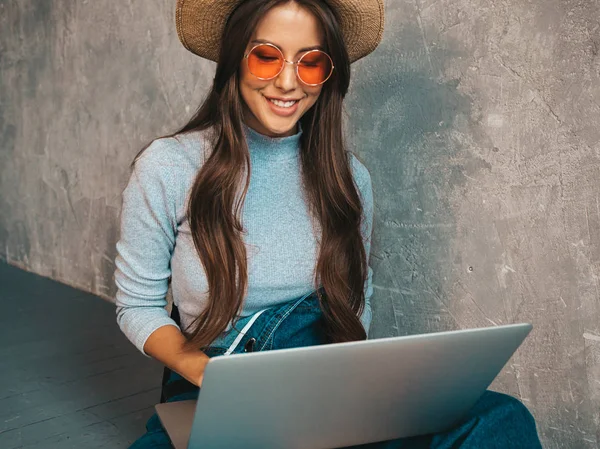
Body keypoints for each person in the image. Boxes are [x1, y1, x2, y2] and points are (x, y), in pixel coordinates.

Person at [114, 0, 543, 447]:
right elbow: (137, 306)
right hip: (210, 389)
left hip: (326, 398)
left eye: (311, 62)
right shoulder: (169, 166)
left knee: (501, 419)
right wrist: (207, 373)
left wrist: (346, 397)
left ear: (328, 73)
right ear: (234, 58)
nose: (287, 82)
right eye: (266, 56)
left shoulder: (350, 179)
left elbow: (356, 302)